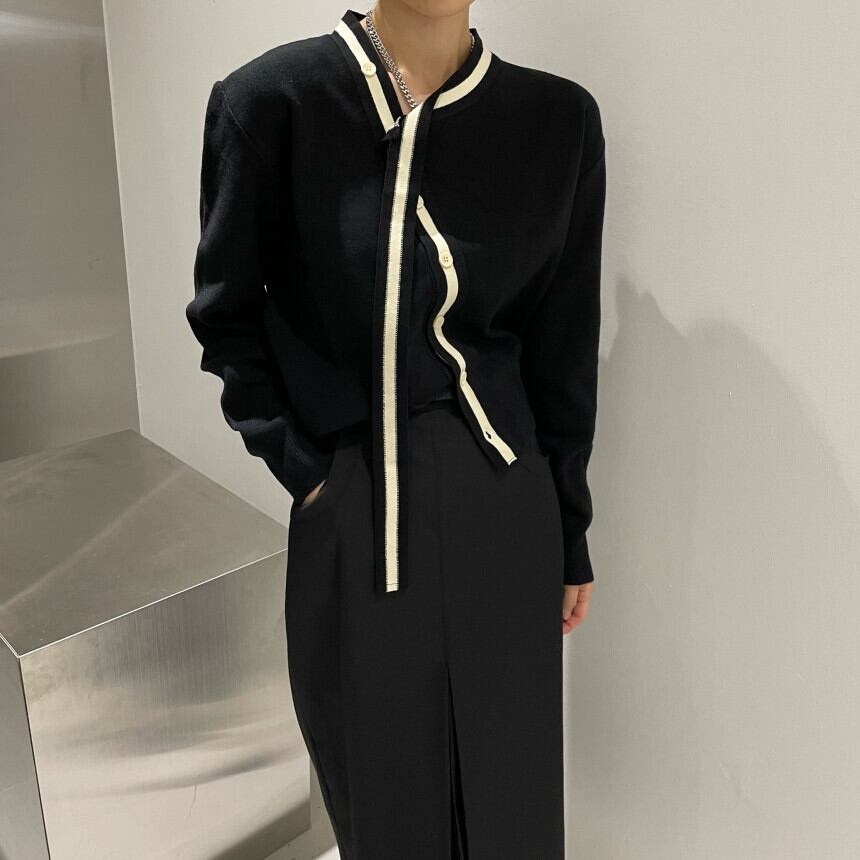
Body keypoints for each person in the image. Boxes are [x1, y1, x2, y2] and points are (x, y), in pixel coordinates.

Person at [187, 3, 606, 857]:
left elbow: (562, 346)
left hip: (506, 502)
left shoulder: (557, 119)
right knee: (384, 805)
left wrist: (568, 529)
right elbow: (226, 318)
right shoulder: (273, 103)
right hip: (356, 505)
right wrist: (311, 473)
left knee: (513, 803)